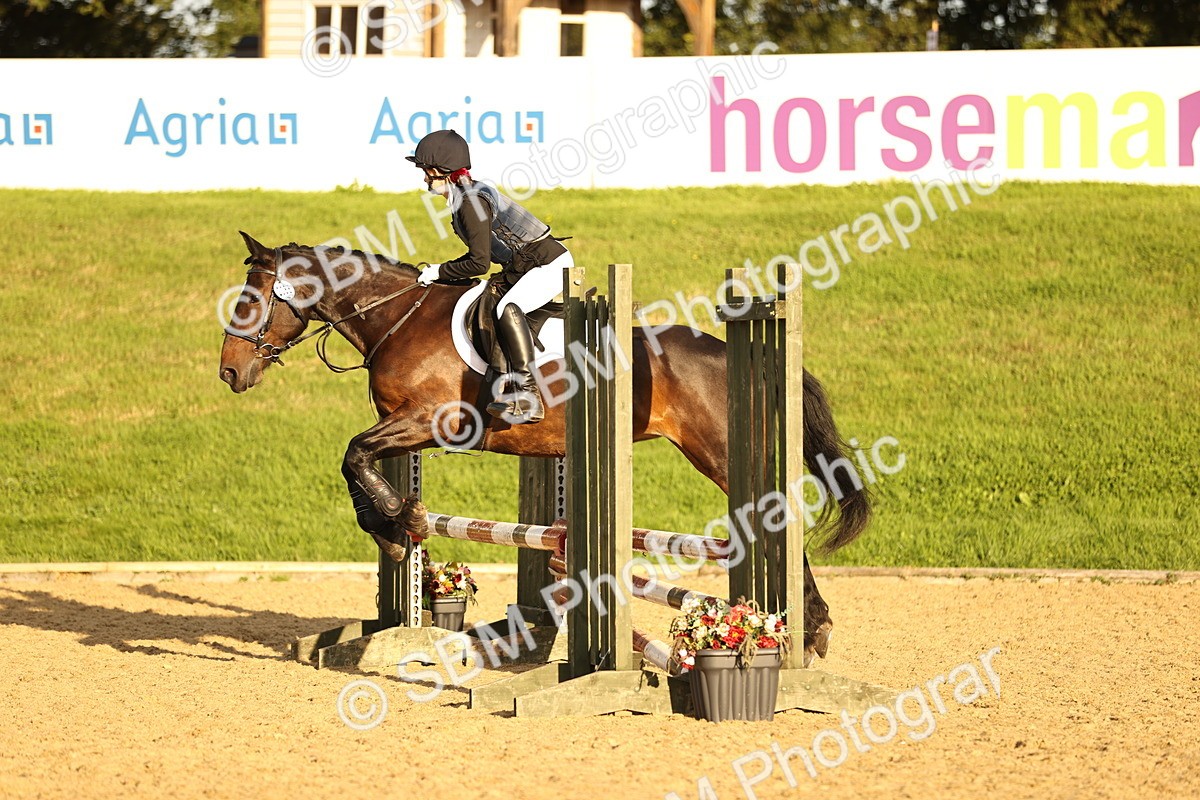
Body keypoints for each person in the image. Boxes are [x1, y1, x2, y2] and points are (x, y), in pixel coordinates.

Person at [409, 129, 571, 425]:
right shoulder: (464, 196)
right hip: (523, 266)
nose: (424, 179)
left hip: (547, 264)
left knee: (506, 309)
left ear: (438, 171)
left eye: (425, 172)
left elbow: (479, 263)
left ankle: (527, 393)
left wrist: (438, 272)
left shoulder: (470, 202)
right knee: (489, 303)